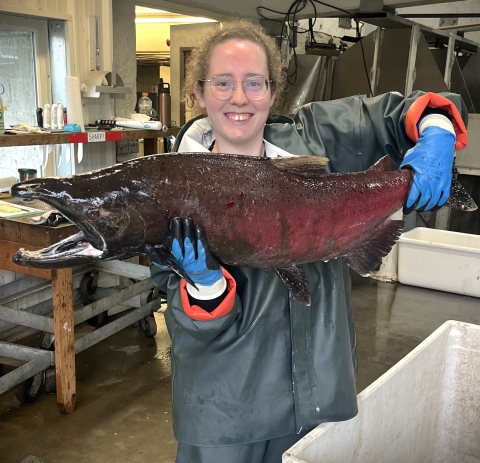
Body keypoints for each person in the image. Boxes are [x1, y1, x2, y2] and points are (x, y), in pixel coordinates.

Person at [147, 19, 468, 463]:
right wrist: (204, 285)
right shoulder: (171, 187)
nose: (239, 98)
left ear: (273, 90)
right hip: (224, 415)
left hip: (318, 399)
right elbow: (187, 322)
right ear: (198, 93)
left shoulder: (314, 136)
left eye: (254, 82)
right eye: (222, 83)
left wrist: (437, 134)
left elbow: (416, 107)